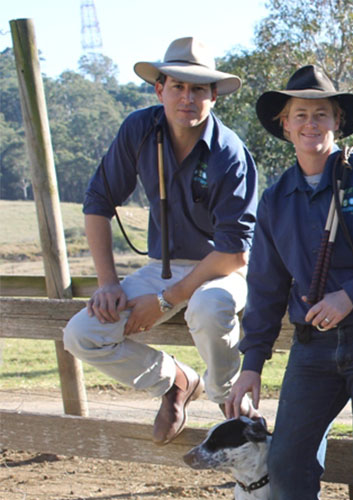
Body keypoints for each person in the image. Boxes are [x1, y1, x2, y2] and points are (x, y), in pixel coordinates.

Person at [224, 65, 353, 499]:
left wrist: (349, 295)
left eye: (320, 114)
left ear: (337, 120)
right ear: (285, 124)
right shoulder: (277, 200)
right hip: (313, 343)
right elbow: (266, 287)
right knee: (286, 461)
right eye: (300, 115)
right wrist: (251, 364)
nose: (310, 124)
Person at [63, 37, 260, 446]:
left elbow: (235, 251)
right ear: (159, 89)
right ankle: (175, 382)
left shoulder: (230, 154)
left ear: (214, 96)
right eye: (177, 86)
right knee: (81, 334)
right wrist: (107, 284)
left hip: (221, 270)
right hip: (161, 267)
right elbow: (98, 202)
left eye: (199, 89)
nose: (187, 97)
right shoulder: (140, 129)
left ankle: (229, 405)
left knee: (209, 305)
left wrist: (168, 300)